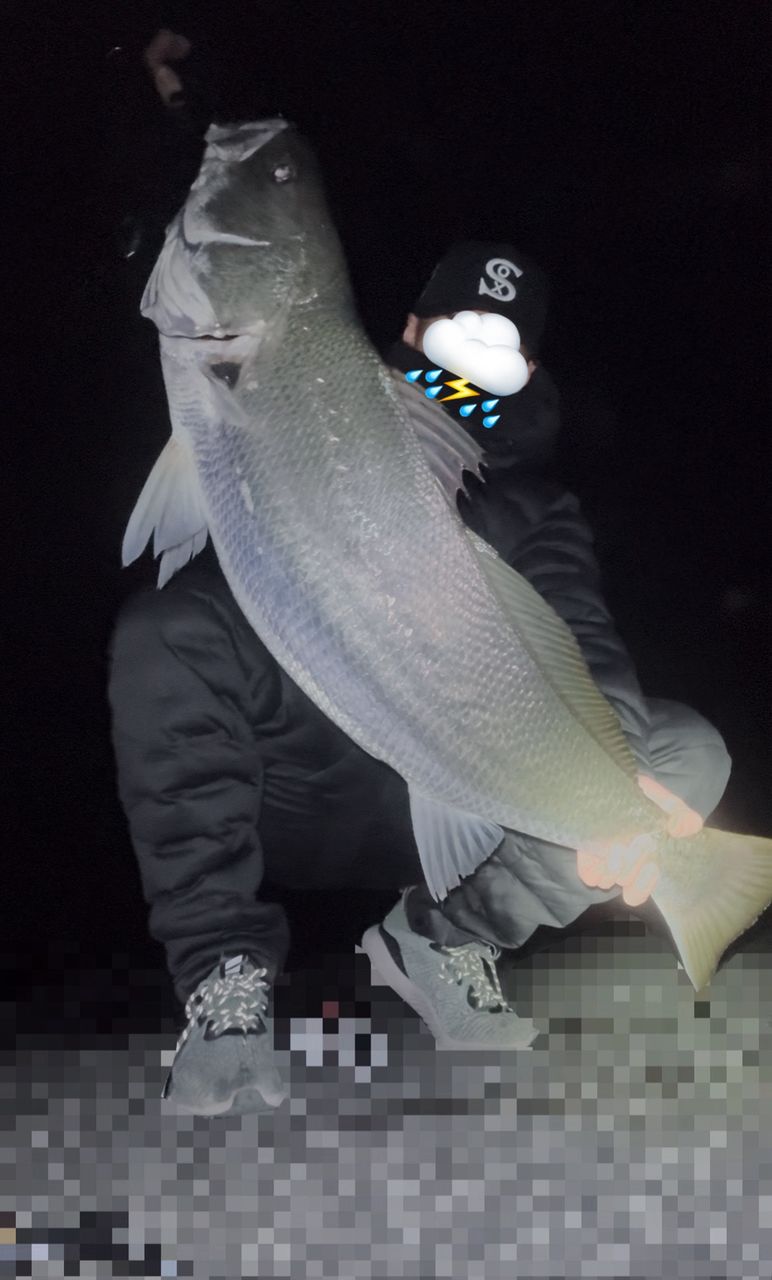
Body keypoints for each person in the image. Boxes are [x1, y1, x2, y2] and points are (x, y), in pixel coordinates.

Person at [106, 31, 732, 1116]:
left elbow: (580, 636)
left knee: (683, 755)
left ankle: (436, 942)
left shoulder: (537, 505)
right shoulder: (306, 376)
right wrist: (185, 104)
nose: (472, 358)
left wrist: (624, 775)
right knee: (164, 630)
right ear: (408, 327)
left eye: (499, 347)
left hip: (460, 786)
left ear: (528, 372)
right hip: (296, 776)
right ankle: (224, 980)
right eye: (456, 331)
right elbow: (186, 223)